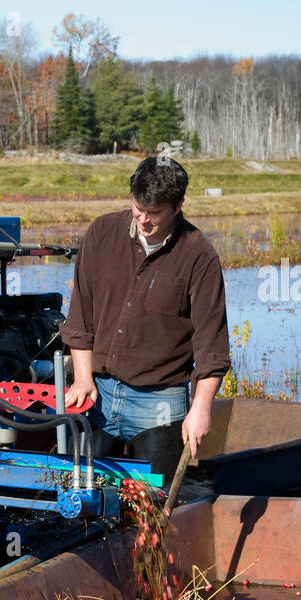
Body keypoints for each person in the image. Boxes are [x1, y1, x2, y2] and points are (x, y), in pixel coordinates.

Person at [61, 156, 230, 479]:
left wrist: (201, 407)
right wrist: (83, 377)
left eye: (155, 213)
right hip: (98, 391)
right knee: (83, 494)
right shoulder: (102, 232)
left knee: (153, 505)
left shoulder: (199, 256)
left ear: (178, 206)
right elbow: (80, 315)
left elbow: (212, 346)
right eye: (139, 208)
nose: (144, 219)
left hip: (160, 403)